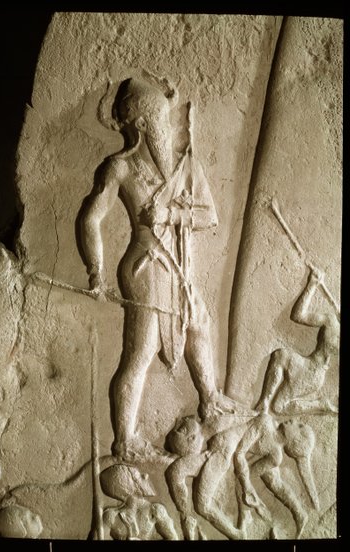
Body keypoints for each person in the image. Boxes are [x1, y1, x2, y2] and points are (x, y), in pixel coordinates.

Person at [81, 77, 240, 462]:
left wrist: (172, 214)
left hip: (179, 266)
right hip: (145, 267)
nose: (164, 127)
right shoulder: (120, 168)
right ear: (140, 124)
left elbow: (210, 217)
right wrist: (96, 272)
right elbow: (90, 219)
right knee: (142, 350)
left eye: (165, 120)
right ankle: (125, 440)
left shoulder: (186, 167)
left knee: (198, 323)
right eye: (156, 120)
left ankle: (210, 400)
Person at [256, 267, 340, 415]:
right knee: (280, 355)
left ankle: (320, 405)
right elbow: (298, 315)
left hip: (314, 374)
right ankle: (264, 402)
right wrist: (312, 285)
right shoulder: (330, 320)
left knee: (279, 407)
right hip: (306, 363)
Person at [99, 464, 178, 540]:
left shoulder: (156, 510)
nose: (145, 476)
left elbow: (173, 538)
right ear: (125, 486)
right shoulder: (110, 516)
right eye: (137, 477)